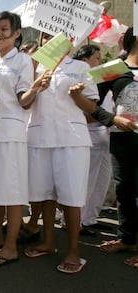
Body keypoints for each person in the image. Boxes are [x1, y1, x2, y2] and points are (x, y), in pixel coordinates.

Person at [0, 12, 49, 266]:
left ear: (17, 34)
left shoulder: (22, 61)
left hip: (9, 135)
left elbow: (24, 101)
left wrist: (36, 87)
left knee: (11, 193)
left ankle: (11, 247)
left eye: (4, 29)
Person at [23, 32, 99, 274]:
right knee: (45, 193)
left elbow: (92, 107)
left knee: (71, 196)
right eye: (46, 36)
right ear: (42, 40)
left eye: (57, 36)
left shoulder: (79, 67)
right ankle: (48, 242)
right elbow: (23, 102)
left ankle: (74, 251)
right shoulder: (33, 66)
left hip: (71, 139)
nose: (51, 41)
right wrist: (36, 87)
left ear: (69, 41)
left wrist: (76, 95)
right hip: (40, 137)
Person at [92, 27, 138, 267]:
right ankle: (127, 239)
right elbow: (92, 102)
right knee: (125, 190)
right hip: (121, 138)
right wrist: (111, 119)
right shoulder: (115, 69)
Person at [72, 45, 112, 236]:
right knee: (86, 180)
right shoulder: (80, 75)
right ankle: (75, 220)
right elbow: (85, 110)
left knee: (101, 181)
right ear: (85, 59)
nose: (100, 62)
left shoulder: (99, 78)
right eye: (97, 58)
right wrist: (106, 117)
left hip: (105, 134)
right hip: (89, 133)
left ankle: (89, 218)